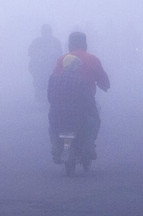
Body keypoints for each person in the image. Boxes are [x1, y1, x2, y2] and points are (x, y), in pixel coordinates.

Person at [50, 31, 109, 163]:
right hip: (85, 104)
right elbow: (104, 82)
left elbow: (54, 80)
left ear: (69, 44)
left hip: (60, 105)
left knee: (53, 124)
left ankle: (55, 148)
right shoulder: (93, 59)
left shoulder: (62, 59)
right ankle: (89, 147)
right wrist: (103, 85)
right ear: (85, 44)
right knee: (94, 121)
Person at [47, 53, 96, 163]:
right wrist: (94, 113)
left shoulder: (53, 79)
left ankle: (55, 149)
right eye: (77, 66)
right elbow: (89, 100)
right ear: (73, 66)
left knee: (52, 129)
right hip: (77, 118)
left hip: (57, 117)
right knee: (92, 124)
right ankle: (88, 150)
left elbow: (50, 98)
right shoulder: (81, 81)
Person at [28, 24, 62, 103]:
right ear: (42, 32)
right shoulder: (36, 41)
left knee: (52, 87)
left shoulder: (55, 42)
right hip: (39, 70)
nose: (46, 33)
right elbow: (30, 52)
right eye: (45, 31)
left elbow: (60, 55)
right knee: (39, 87)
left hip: (52, 69)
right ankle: (39, 103)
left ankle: (51, 102)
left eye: (48, 31)